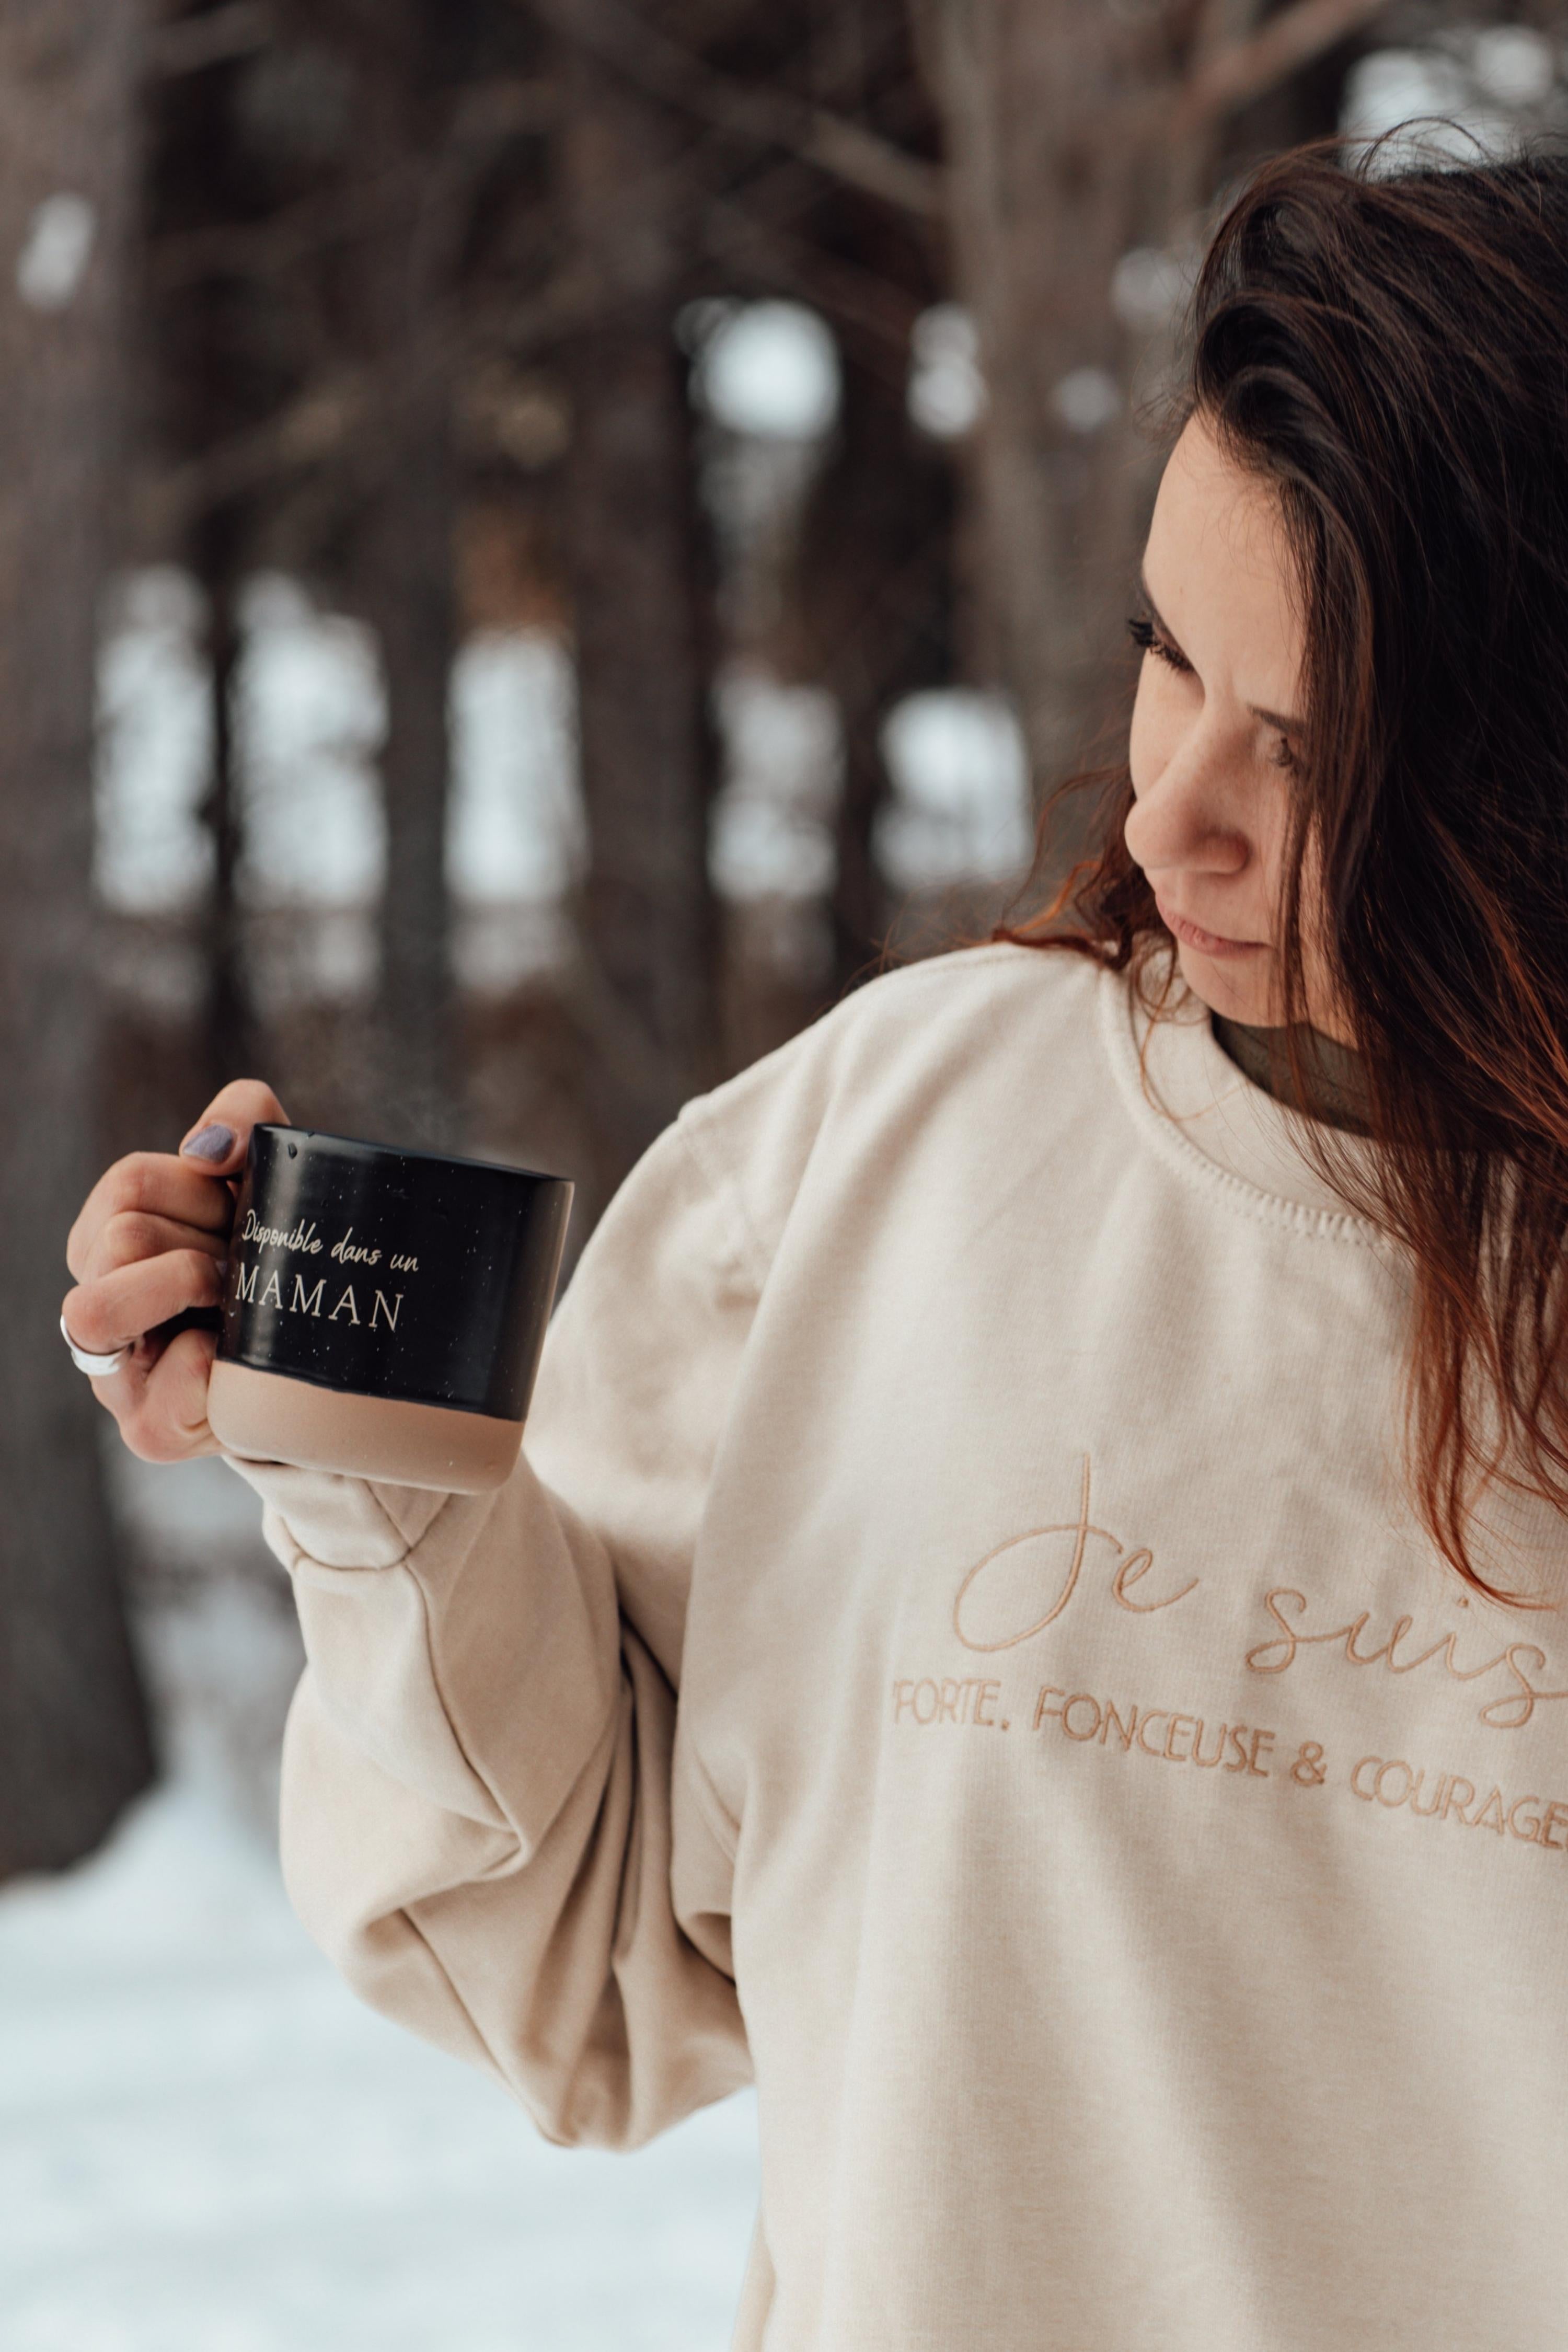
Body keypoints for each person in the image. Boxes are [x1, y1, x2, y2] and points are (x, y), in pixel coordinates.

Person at [62, 144, 1568, 2349]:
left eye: (1320, 752)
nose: (1166, 817)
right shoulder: (898, 1148)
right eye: (1169, 659)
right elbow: (579, 1970)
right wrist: (382, 1470)